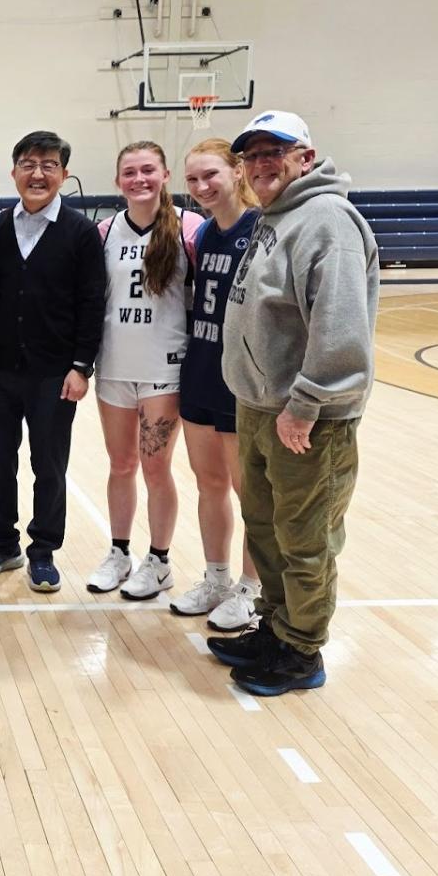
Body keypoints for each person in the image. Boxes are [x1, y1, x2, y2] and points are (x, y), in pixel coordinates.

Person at [206, 110, 379, 697]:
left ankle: (303, 650)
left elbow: (341, 332)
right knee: (267, 529)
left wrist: (306, 404)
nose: (261, 164)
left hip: (305, 417)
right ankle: (277, 631)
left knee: (304, 539)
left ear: (306, 156)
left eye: (274, 152)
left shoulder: (327, 221)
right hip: (259, 406)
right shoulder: (274, 218)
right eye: (252, 155)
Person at [0, 131, 107, 592]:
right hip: (0, 373)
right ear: (13, 173)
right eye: (28, 163)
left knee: (49, 465)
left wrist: (81, 366)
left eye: (49, 165)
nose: (38, 173)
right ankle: (1, 544)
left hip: (54, 373)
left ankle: (43, 551)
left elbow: (92, 303)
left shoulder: (82, 233)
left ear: (64, 175)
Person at [86, 141, 204, 602]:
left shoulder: (189, 228)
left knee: (156, 467)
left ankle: (159, 561)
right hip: (114, 365)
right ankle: (119, 552)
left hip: (164, 367)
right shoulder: (104, 232)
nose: (139, 179)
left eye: (148, 171)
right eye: (130, 172)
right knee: (120, 465)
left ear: (165, 175)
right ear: (118, 181)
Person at [170, 138, 262, 631]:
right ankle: (216, 578)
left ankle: (252, 588)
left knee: (250, 493)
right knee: (210, 485)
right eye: (193, 179)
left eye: (211, 175)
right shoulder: (203, 234)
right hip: (200, 370)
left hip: (241, 381)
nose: (203, 186)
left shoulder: (261, 229)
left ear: (237, 173)